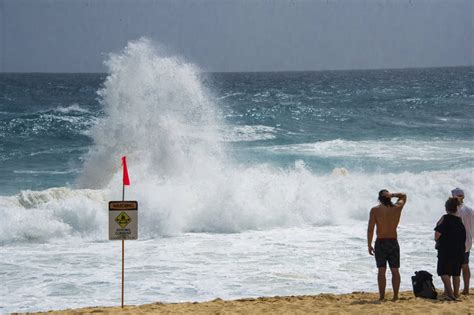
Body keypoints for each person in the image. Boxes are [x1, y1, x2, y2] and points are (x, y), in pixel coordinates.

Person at [367, 190, 407, 301]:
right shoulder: (397, 207)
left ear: (379, 198)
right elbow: (404, 195)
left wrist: (369, 244)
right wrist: (393, 195)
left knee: (381, 270)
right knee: (395, 270)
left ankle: (382, 297)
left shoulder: (375, 210)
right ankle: (395, 296)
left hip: (380, 242)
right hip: (393, 241)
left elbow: (370, 229)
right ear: (389, 198)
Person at [434, 198, 466, 300]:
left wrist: (437, 241)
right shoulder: (459, 220)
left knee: (443, 271)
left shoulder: (444, 218)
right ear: (456, 208)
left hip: (446, 249)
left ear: (446, 208)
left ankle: (450, 294)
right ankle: (456, 294)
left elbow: (437, 234)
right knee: (456, 272)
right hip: (459, 249)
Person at [451, 187, 474, 295]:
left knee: (455, 266)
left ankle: (455, 290)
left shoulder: (454, 210)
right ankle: (466, 289)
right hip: (468, 242)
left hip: (457, 242)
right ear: (463, 196)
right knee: (465, 265)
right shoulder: (470, 210)